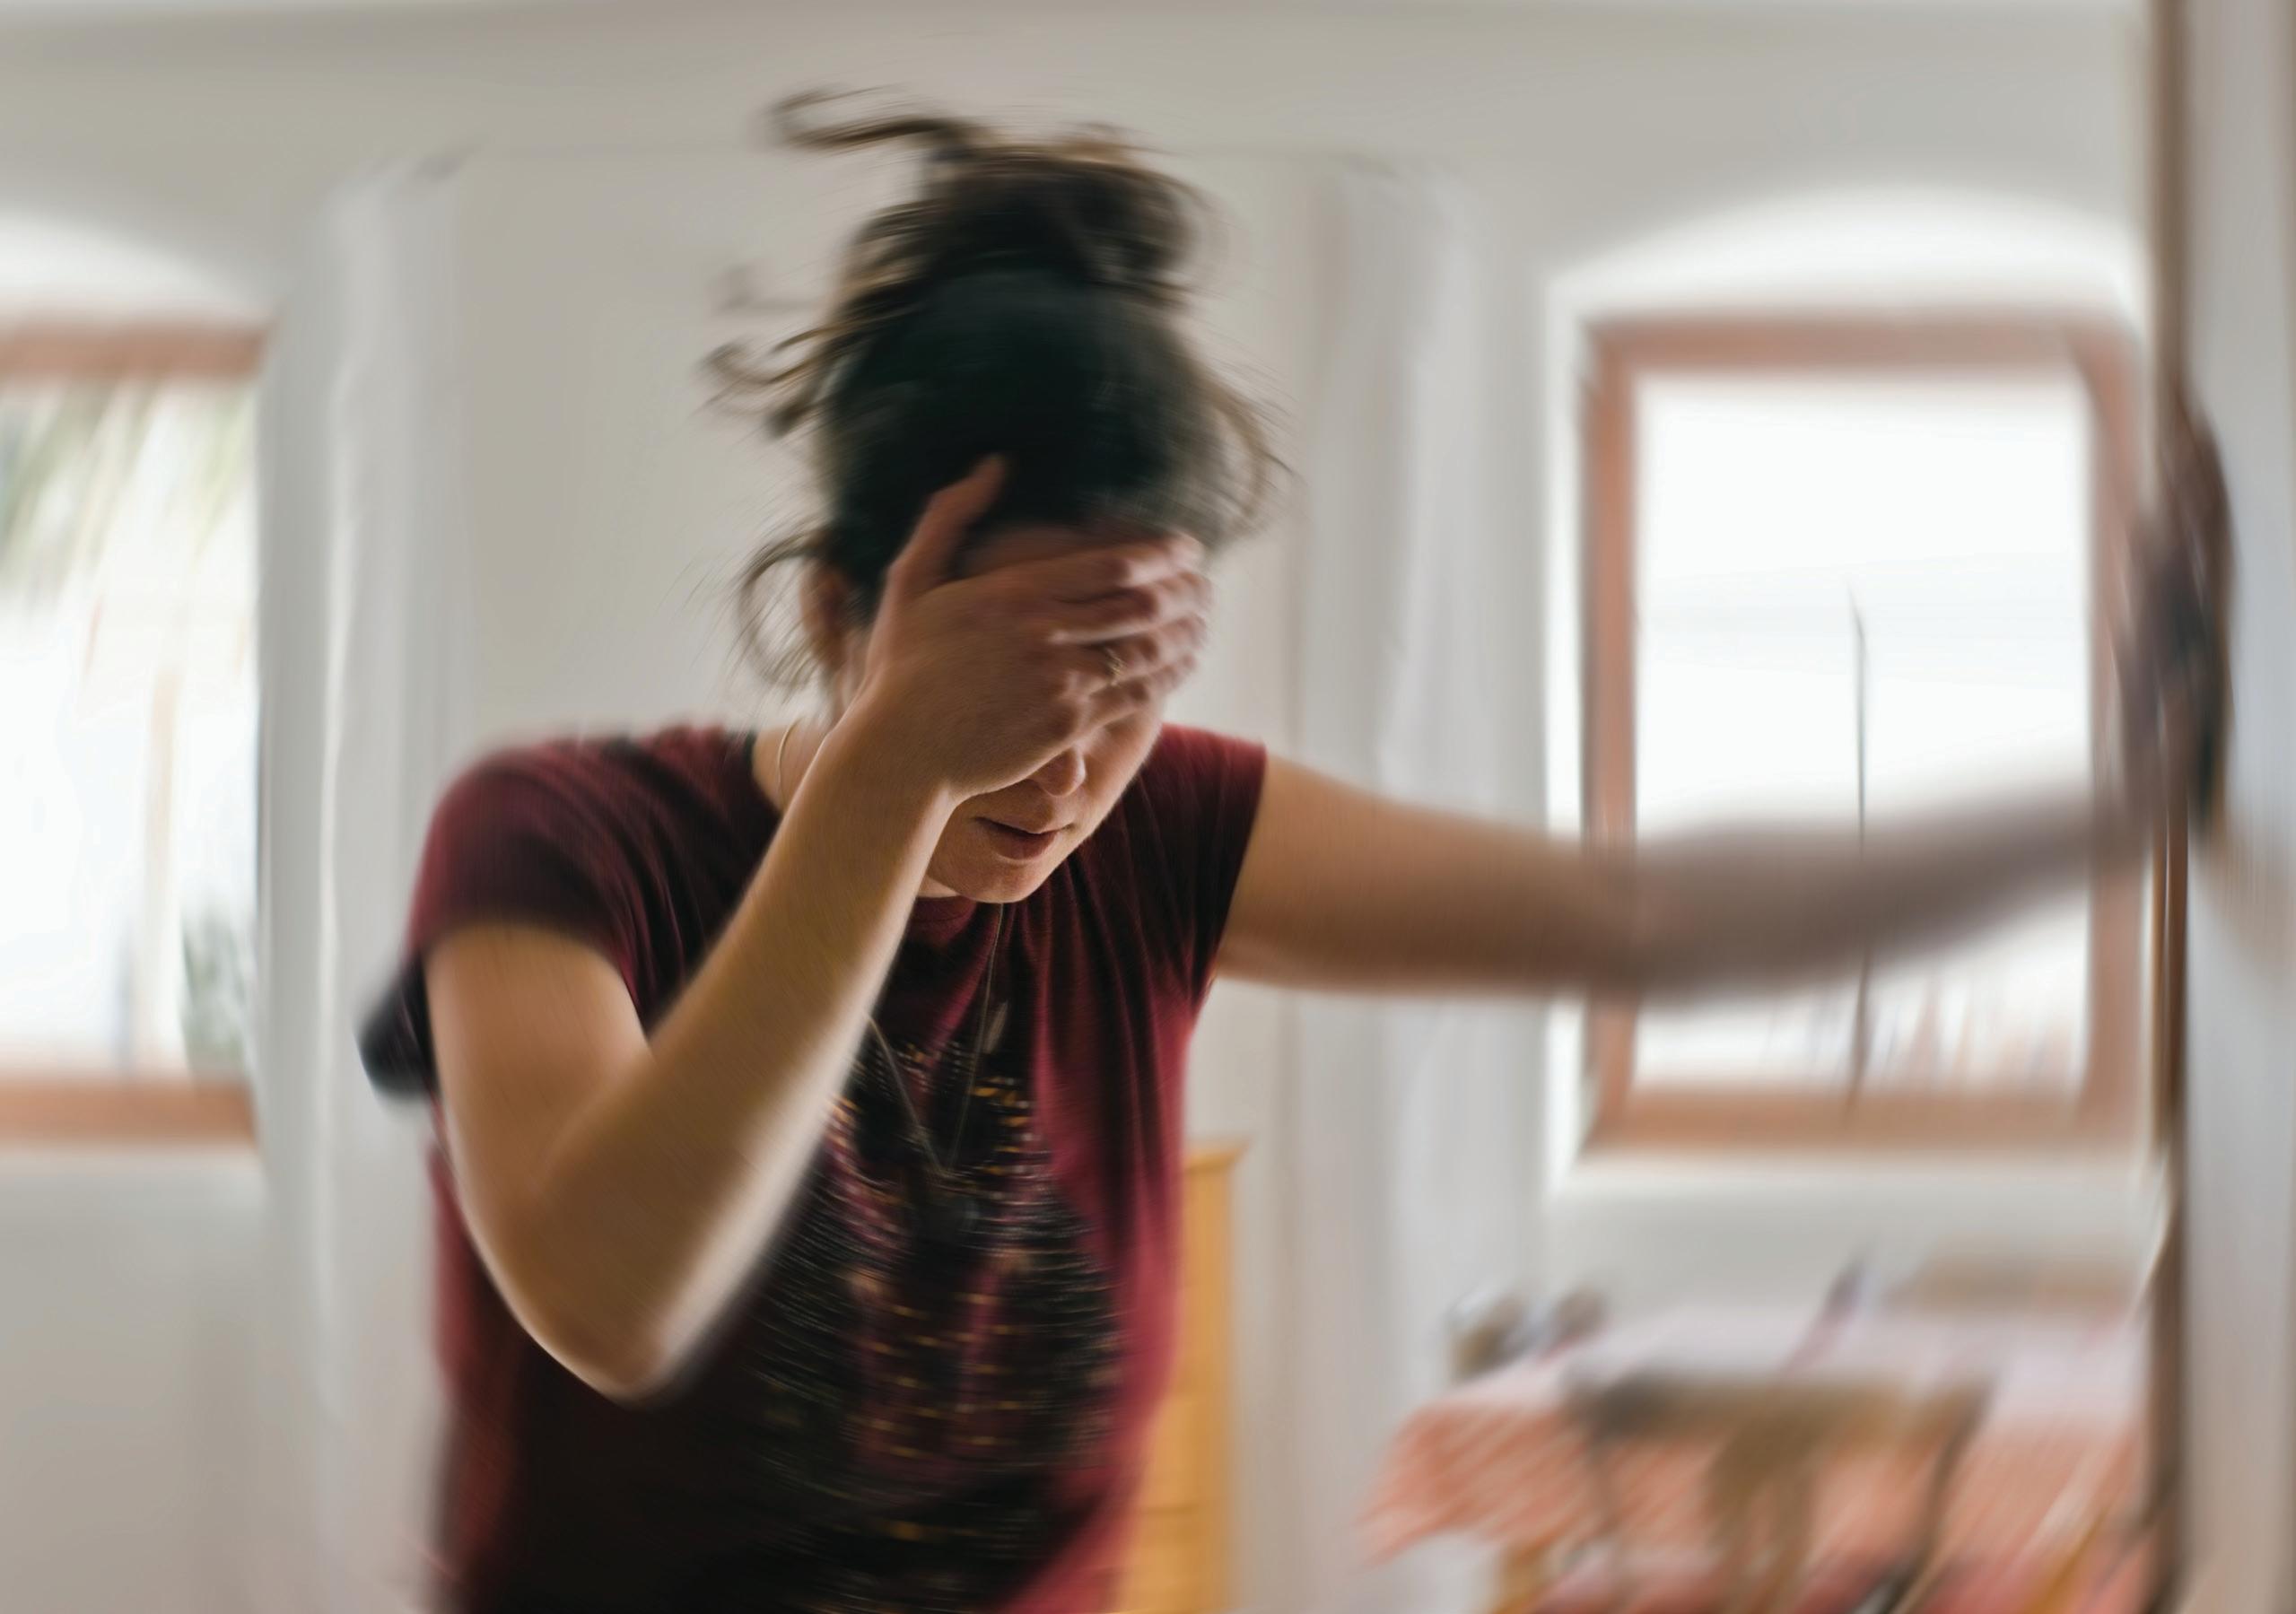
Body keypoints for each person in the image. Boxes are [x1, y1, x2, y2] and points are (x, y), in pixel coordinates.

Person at [359, 97, 2223, 1614]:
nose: (1057, 768)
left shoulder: (1166, 835)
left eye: (1119, 687)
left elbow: (1644, 915)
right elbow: (612, 1301)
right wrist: (894, 774)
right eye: (1002, 681)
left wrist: (2122, 802)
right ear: (839, 615)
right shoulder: (560, 838)